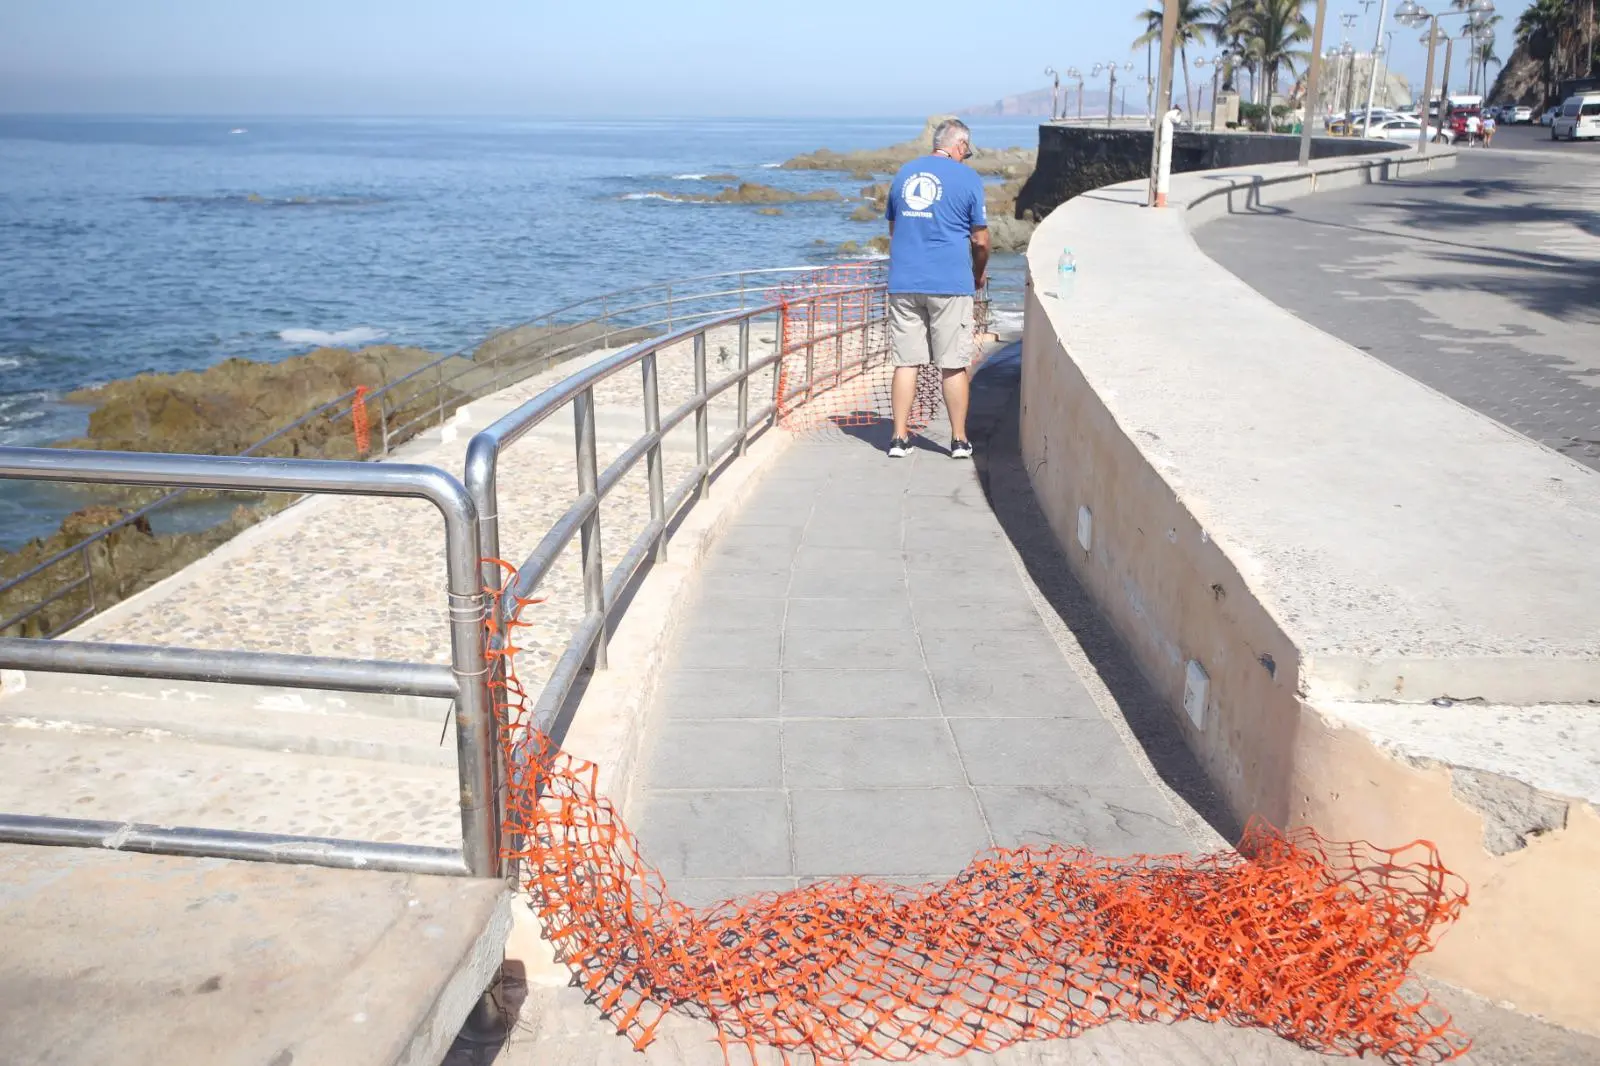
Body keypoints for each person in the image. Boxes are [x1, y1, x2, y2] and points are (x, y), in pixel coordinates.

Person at [883, 118, 990, 459]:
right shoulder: (968, 178)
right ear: (959, 145)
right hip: (950, 282)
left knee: (906, 362)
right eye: (967, 151)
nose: (966, 157)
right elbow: (981, 239)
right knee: (953, 363)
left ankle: (898, 439)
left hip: (904, 281)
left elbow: (894, 228)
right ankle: (959, 440)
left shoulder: (904, 174)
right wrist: (978, 273)